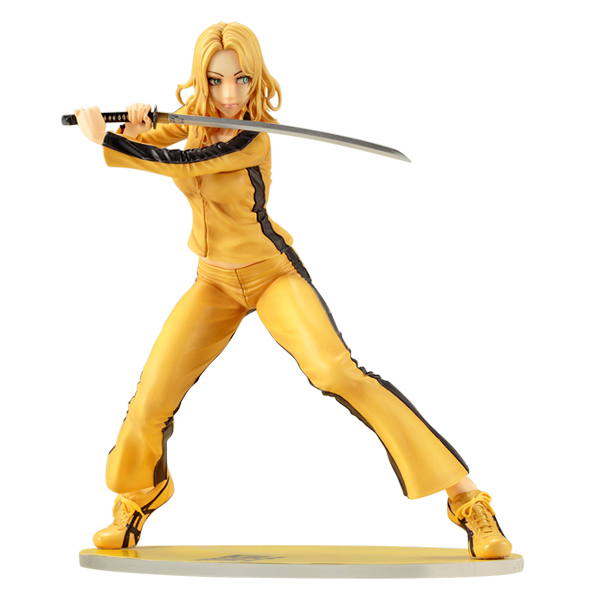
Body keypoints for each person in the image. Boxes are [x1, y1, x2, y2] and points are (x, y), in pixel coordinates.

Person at [74, 21, 512, 559]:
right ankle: (138, 495)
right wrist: (136, 125)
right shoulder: (192, 121)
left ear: (255, 78)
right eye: (216, 81)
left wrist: (108, 141)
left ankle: (468, 499)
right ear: (200, 80)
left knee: (337, 372)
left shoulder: (251, 136)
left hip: (270, 274)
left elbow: (183, 163)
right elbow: (157, 144)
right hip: (213, 281)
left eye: (241, 79)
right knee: (152, 394)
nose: (229, 95)